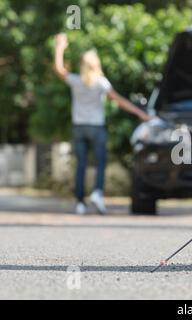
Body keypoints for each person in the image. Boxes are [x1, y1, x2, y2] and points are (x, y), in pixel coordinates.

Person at [54, 33, 151, 215]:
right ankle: (97, 193)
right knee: (100, 163)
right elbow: (120, 101)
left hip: (79, 127)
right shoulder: (101, 83)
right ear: (96, 65)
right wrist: (141, 114)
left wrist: (60, 47)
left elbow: (59, 69)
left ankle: (80, 203)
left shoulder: (76, 81)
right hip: (96, 128)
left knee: (81, 165)